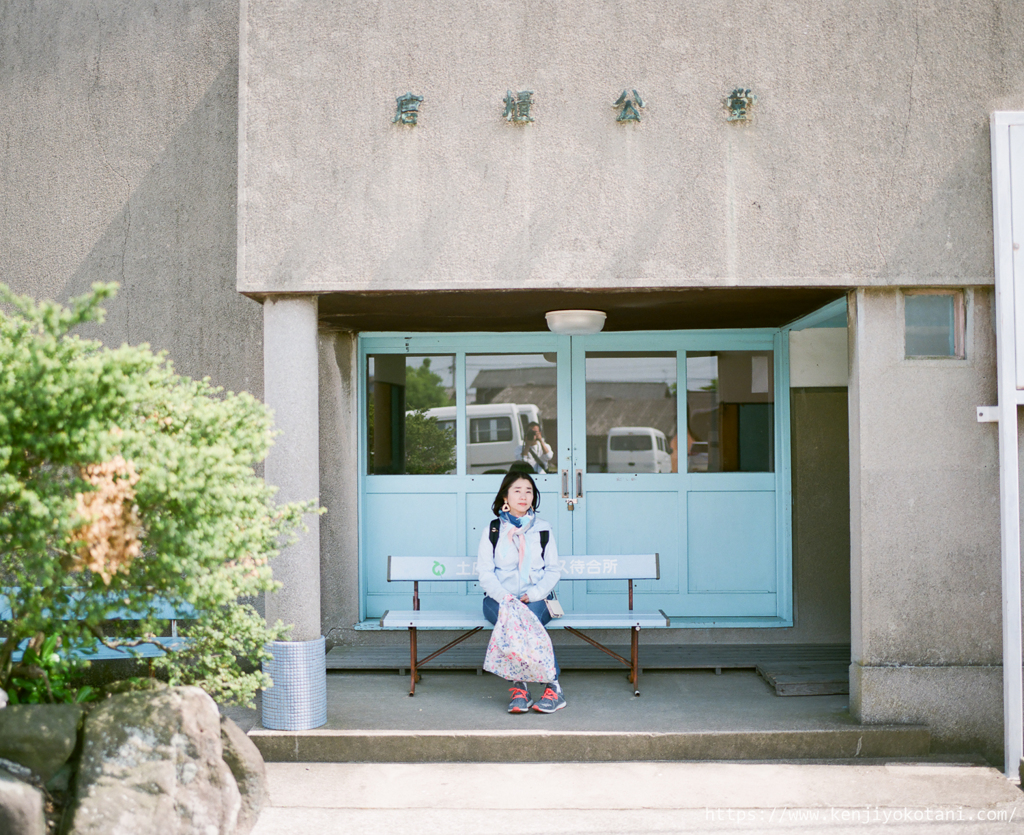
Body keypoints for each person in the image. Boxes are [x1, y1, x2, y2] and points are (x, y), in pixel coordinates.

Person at [476, 469, 565, 713]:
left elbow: (553, 570)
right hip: (499, 599)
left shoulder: (543, 529)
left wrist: (534, 594)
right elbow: (485, 573)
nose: (523, 496)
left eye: (529, 491)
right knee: (513, 617)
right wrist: (506, 598)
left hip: (537, 599)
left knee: (525, 619)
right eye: (517, 490)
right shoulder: (493, 531)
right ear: (505, 496)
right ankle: (537, 688)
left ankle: (540, 688)